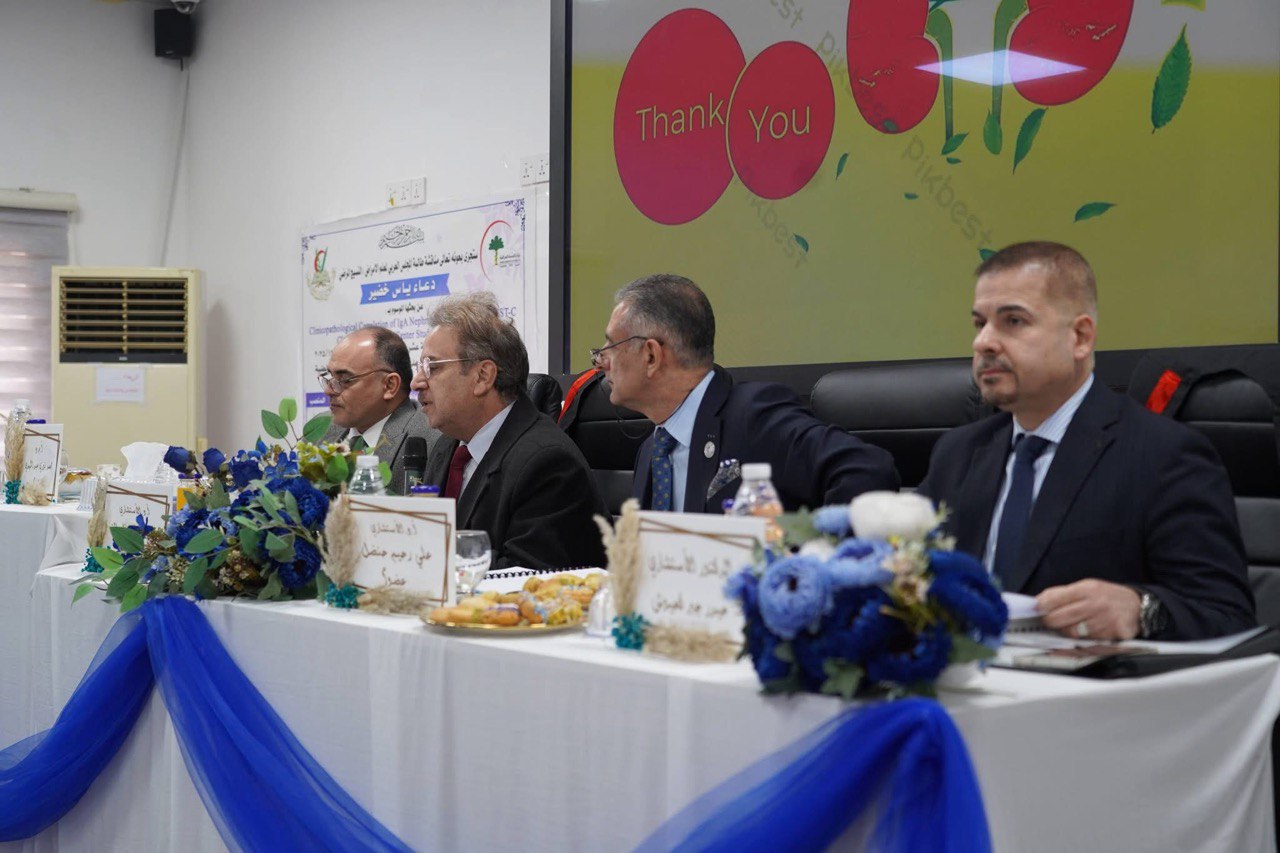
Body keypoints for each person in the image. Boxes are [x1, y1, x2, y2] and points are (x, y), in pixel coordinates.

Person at [918, 242, 1254, 641]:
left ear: (1080, 337)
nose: (983, 342)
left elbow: (1227, 615)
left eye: (1013, 321)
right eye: (980, 323)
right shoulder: (958, 453)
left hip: (1091, 677)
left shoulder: (1165, 455)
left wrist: (1140, 609)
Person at [597, 274, 900, 514]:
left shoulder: (756, 418)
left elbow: (868, 469)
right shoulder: (652, 449)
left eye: (611, 346)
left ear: (651, 355)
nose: (601, 361)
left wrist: (816, 561)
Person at [412, 293, 607, 570]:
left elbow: (528, 574)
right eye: (420, 367)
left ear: (483, 376)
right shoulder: (448, 447)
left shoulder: (548, 462)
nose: (417, 382)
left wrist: (426, 560)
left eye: (431, 367)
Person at [321, 326, 440, 493]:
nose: (328, 390)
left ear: (390, 385)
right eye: (330, 378)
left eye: (345, 380)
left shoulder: (431, 439)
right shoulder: (320, 431)